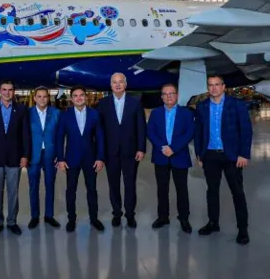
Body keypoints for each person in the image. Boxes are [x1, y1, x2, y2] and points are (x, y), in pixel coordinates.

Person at [194, 75, 252, 245]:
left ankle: (243, 229)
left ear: (223, 86)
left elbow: (246, 131)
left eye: (217, 85)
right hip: (210, 155)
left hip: (232, 156)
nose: (213, 88)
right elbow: (198, 132)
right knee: (212, 191)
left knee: (238, 193)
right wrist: (200, 153)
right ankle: (213, 223)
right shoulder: (202, 106)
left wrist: (244, 154)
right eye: (210, 85)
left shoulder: (237, 105)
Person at [97, 72, 146, 228]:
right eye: (114, 82)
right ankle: (117, 213)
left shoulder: (135, 103)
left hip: (131, 152)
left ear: (125, 84)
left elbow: (141, 127)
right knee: (114, 185)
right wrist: (101, 152)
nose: (117, 84)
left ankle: (130, 215)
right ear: (110, 85)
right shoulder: (103, 104)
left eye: (120, 82)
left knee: (130, 184)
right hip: (110, 152)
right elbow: (100, 130)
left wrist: (141, 148)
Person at [0, 80, 31, 236]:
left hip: (14, 158)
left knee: (13, 193)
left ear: (14, 92)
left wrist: (25, 155)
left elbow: (25, 135)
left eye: (10, 90)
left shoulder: (21, 109)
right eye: (4, 89)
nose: (7, 92)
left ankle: (11, 221)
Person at [56, 85, 105, 232]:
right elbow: (59, 138)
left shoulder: (94, 114)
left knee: (92, 190)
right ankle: (71, 219)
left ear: (86, 97)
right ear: (71, 98)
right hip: (71, 159)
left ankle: (94, 219)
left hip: (91, 159)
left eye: (81, 95)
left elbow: (100, 138)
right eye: (76, 95)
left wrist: (100, 158)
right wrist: (61, 159)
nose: (79, 98)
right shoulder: (65, 115)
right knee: (71, 190)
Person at [147, 83, 194, 233]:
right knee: (162, 189)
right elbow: (151, 132)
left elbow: (189, 132)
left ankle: (184, 218)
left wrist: (173, 148)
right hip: (161, 156)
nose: (168, 96)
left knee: (182, 189)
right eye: (165, 94)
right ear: (161, 97)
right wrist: (163, 147)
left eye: (171, 93)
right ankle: (163, 217)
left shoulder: (186, 113)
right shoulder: (155, 113)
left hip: (179, 156)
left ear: (177, 95)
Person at [27, 86, 60, 229]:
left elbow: (60, 136)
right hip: (33, 155)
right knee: (33, 187)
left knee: (50, 185)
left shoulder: (56, 113)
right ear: (34, 98)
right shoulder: (27, 114)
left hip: (50, 155)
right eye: (39, 96)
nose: (42, 99)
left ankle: (49, 215)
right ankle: (34, 216)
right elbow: (24, 136)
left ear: (49, 98)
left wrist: (60, 155)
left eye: (45, 96)